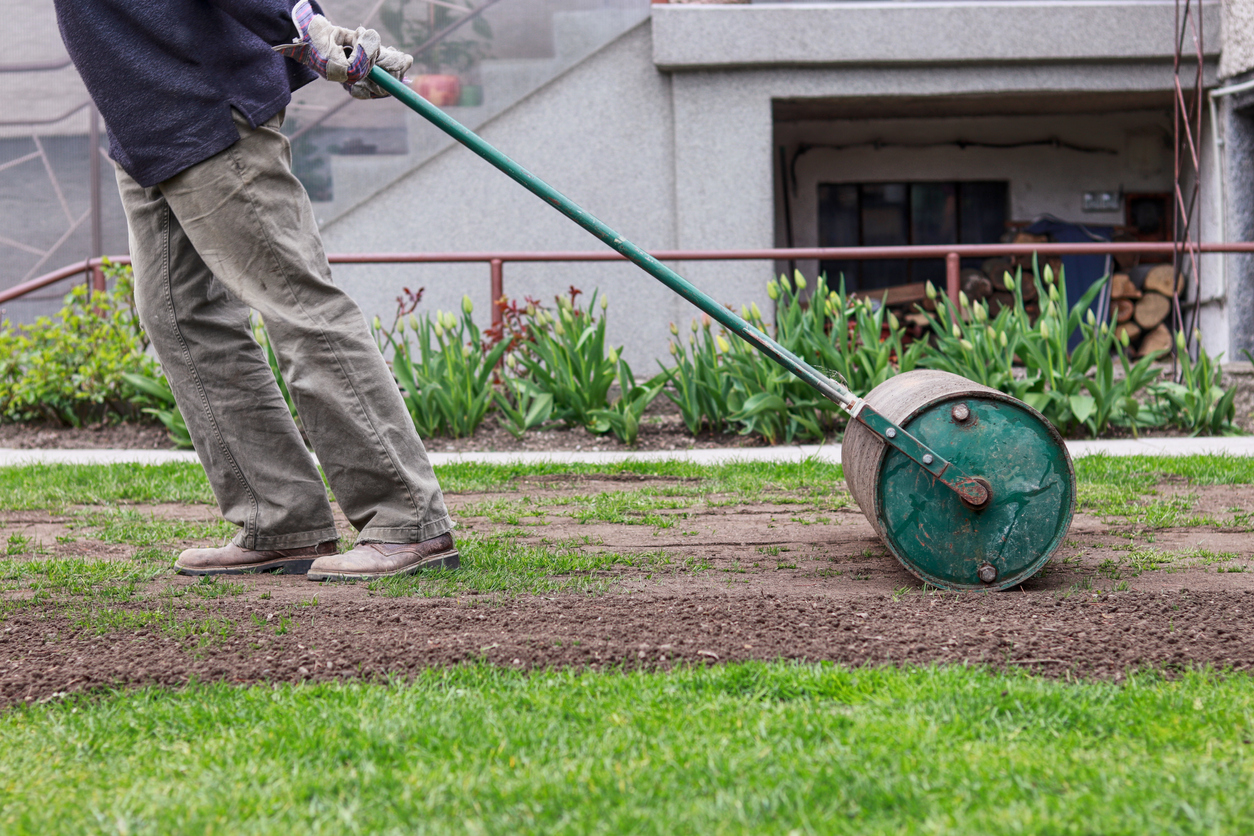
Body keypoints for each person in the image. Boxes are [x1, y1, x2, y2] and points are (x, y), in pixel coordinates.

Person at [54, 0, 458, 581]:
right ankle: (280, 519)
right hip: (144, 120)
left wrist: (300, 24)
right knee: (180, 316)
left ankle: (406, 522)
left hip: (203, 106)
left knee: (296, 303)